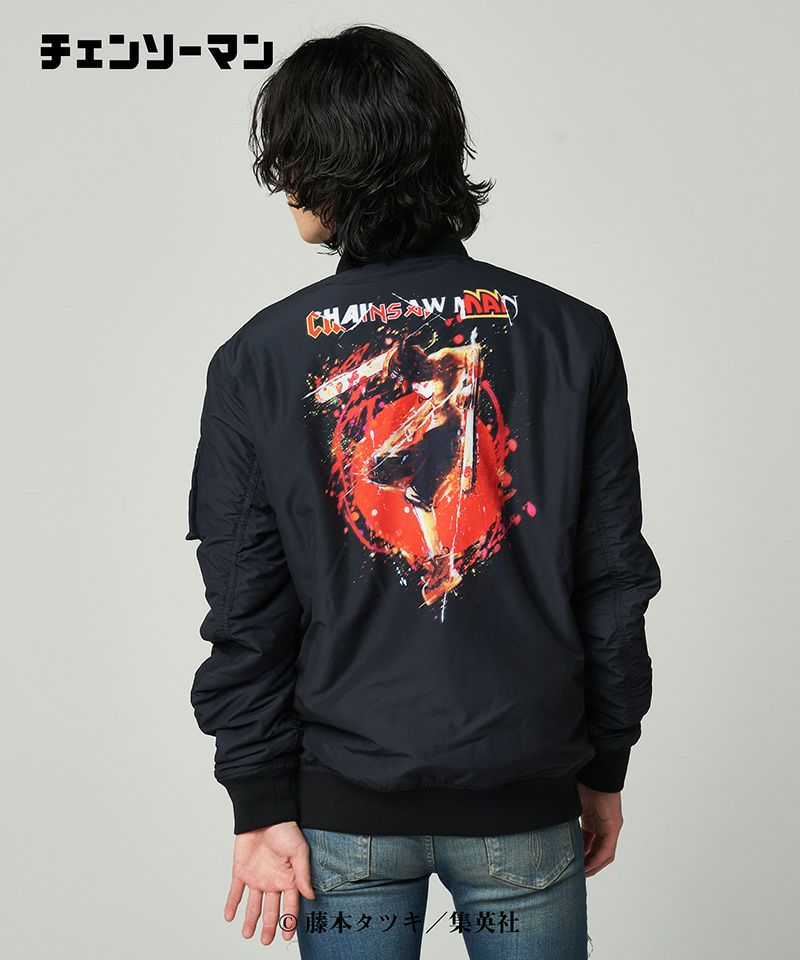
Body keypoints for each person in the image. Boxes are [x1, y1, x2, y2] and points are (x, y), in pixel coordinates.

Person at [185, 24, 661, 960]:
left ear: (327, 170)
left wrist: (260, 801)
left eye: (293, 161)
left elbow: (244, 603)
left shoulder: (260, 358)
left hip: (343, 815)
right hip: (524, 799)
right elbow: (612, 581)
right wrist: (604, 760)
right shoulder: (571, 335)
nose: (285, 186)